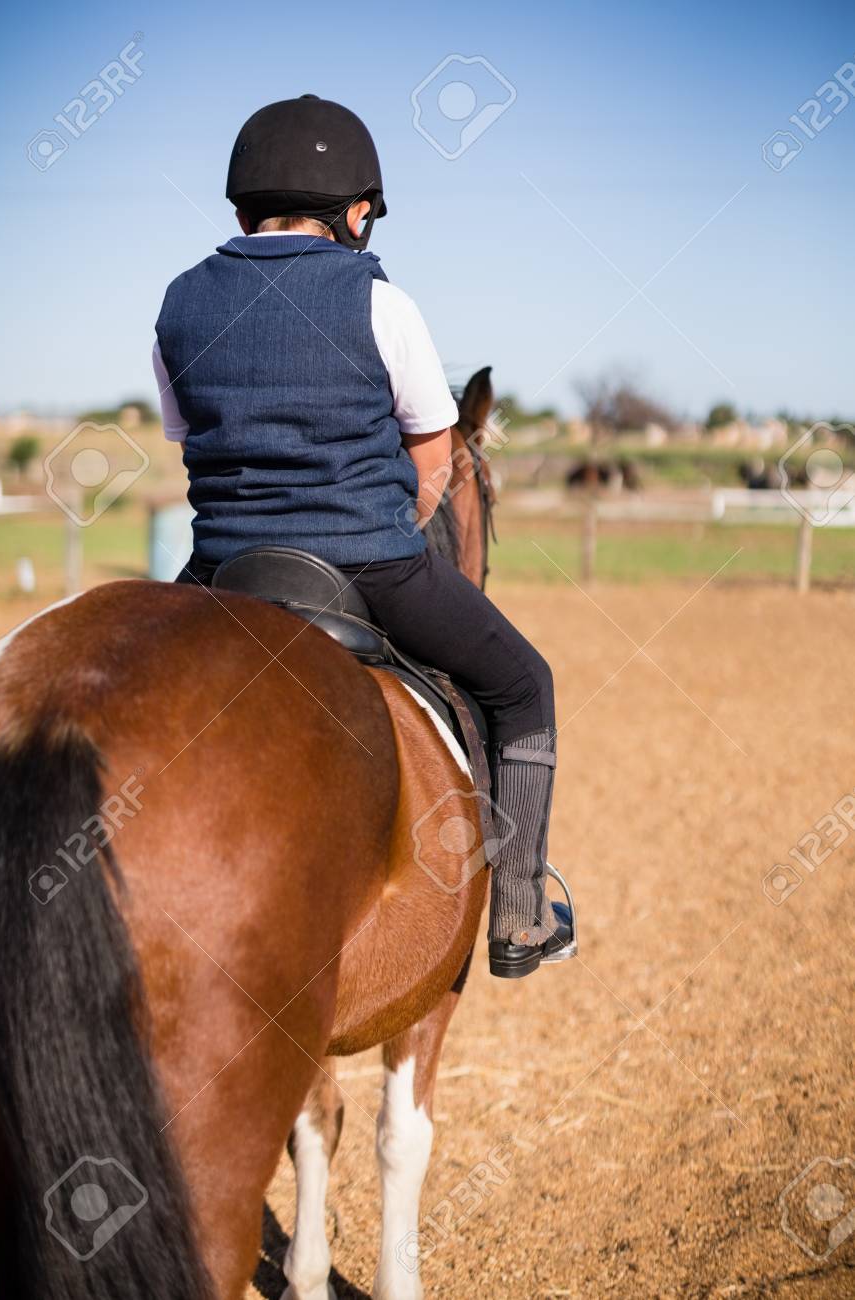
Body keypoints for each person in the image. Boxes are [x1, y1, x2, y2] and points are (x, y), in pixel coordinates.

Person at [153, 94, 573, 979]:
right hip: (370, 563)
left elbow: (191, 440)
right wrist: (385, 530)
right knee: (523, 684)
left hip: (222, 570)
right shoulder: (383, 304)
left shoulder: (179, 303)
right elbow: (430, 462)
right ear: (355, 214)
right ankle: (521, 913)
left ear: (241, 210)